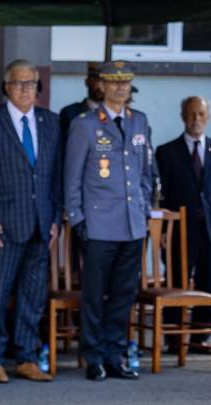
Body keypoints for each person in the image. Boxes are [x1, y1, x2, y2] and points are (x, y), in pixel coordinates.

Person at [0, 59, 59, 383]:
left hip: (40, 224)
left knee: (33, 296)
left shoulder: (51, 122)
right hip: (1, 227)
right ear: (6, 87)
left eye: (31, 83)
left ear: (38, 87)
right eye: (19, 83)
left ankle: (27, 357)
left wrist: (55, 217)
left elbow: (55, 176)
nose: (25, 89)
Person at [65, 60, 153, 382]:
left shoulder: (139, 121)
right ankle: (94, 357)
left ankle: (116, 355)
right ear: (101, 86)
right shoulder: (85, 124)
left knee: (123, 294)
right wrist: (77, 219)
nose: (120, 88)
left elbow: (145, 171)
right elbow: (72, 176)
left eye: (125, 82)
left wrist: (144, 209)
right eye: (113, 82)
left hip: (132, 224)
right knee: (94, 294)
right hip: (99, 225)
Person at [156, 96, 211, 352]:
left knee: (205, 282)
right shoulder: (167, 152)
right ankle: (174, 337)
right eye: (191, 114)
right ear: (182, 116)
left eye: (200, 114)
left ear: (208, 117)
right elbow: (161, 194)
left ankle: (199, 336)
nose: (196, 119)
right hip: (179, 230)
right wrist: (163, 230)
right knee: (176, 281)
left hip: (210, 226)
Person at [58, 62, 103, 137]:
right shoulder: (70, 113)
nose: (102, 86)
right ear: (87, 82)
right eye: (97, 80)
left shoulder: (115, 114)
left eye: (106, 82)